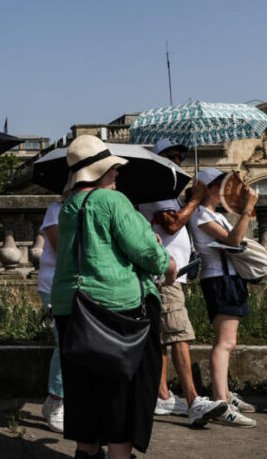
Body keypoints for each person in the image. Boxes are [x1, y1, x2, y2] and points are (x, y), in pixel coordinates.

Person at [51, 135, 176, 459]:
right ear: (99, 171)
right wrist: (167, 261)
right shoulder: (112, 202)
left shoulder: (68, 207)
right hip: (117, 311)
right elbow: (147, 251)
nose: (117, 174)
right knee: (123, 395)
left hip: (72, 309)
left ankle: (88, 452)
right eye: (113, 169)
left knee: (84, 395)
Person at [137, 140, 228, 427]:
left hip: (169, 274)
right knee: (179, 335)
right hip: (165, 276)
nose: (178, 160)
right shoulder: (157, 189)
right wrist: (195, 200)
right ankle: (193, 400)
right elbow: (172, 224)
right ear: (159, 158)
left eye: (181, 155)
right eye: (171, 155)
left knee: (164, 337)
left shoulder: (167, 191)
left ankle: (163, 394)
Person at [188, 167, 259, 428]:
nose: (224, 189)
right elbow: (234, 240)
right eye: (219, 185)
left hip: (227, 278)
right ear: (207, 188)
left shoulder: (213, 214)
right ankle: (221, 400)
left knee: (228, 340)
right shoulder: (201, 215)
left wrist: (243, 210)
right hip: (219, 279)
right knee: (224, 342)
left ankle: (225, 395)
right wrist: (246, 209)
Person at [38, 188, 65, 433]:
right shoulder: (56, 210)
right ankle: (55, 400)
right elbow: (62, 248)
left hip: (82, 285)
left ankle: (58, 400)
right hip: (55, 285)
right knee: (64, 343)